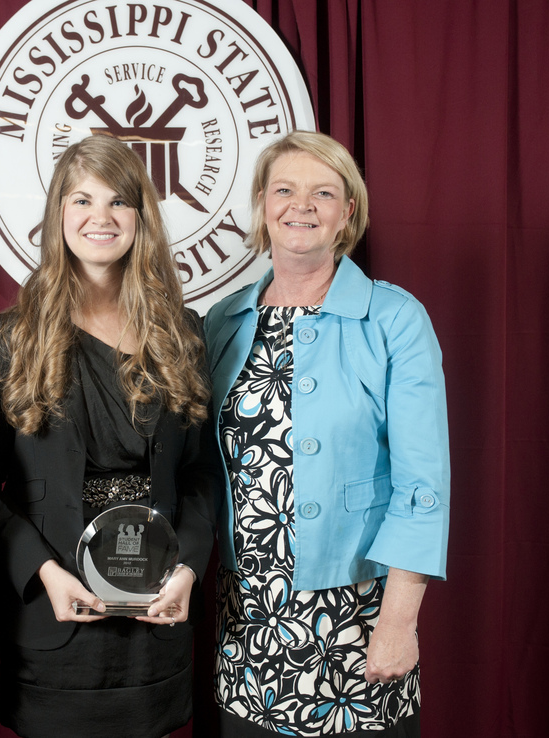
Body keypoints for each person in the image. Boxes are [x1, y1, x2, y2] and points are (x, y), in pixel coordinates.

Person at [204, 130, 449, 737]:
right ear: (263, 204)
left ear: (348, 212)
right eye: (284, 189)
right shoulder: (224, 320)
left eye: (323, 192)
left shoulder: (395, 318)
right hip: (247, 620)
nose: (301, 205)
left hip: (357, 618)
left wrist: (398, 625)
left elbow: (423, 484)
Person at [0, 134, 220, 738]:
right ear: (59, 213)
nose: (100, 218)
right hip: (55, 620)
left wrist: (188, 568)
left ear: (141, 218)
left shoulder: (181, 334)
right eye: (82, 200)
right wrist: (42, 572)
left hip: (155, 615)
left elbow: (198, 473)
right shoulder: (12, 337)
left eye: (118, 201)